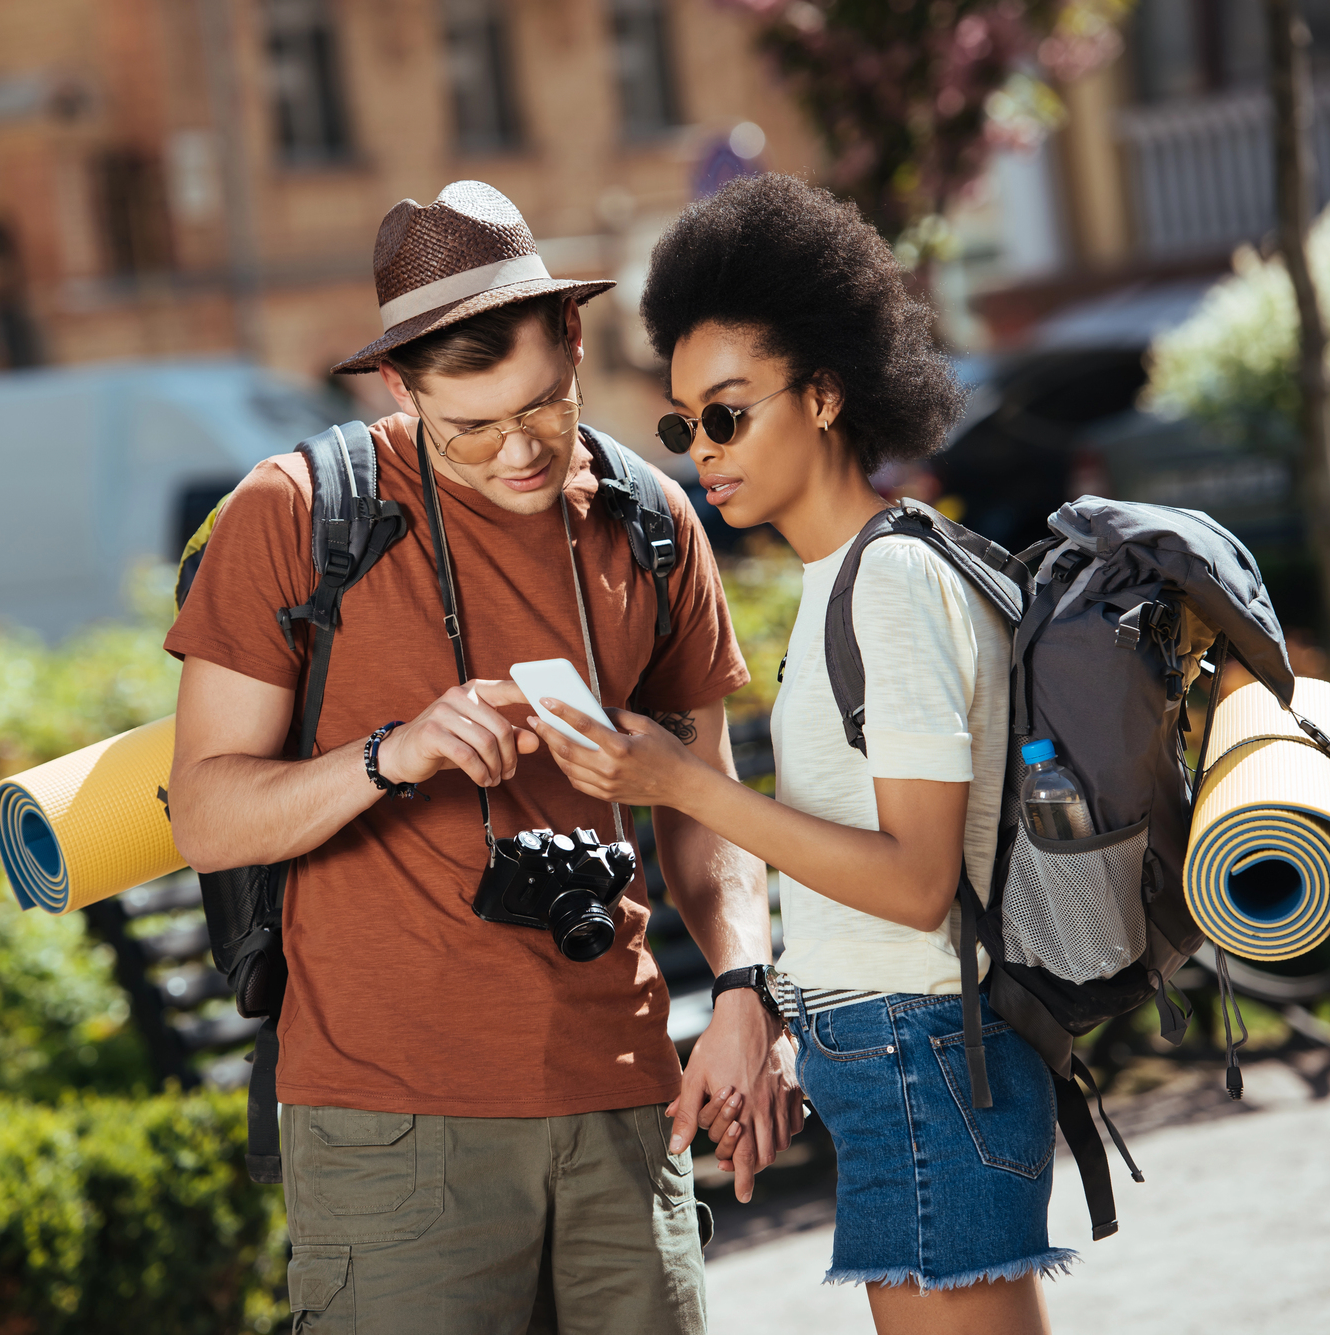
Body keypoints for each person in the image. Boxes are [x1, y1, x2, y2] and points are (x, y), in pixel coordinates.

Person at [164, 180, 802, 1334]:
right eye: (469, 428)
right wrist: (391, 755)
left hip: (624, 1106)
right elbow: (205, 815)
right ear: (400, 386)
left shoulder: (650, 521)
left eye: (543, 409)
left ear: (570, 340)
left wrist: (748, 991)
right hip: (391, 1130)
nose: (517, 451)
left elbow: (706, 808)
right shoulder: (296, 514)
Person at [532, 173, 1074, 1335]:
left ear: (823, 394)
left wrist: (678, 785)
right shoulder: (852, 575)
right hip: (889, 1057)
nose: (701, 450)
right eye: (682, 426)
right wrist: (778, 1013)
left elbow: (913, 879)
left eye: (727, 414)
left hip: (924, 1057)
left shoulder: (888, 582)